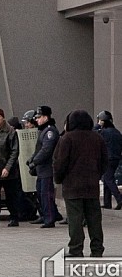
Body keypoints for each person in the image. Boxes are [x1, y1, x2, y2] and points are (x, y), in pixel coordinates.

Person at [53, 110, 108, 257]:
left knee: (75, 220)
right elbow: (104, 162)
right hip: (91, 186)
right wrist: (97, 174)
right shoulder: (97, 138)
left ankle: (76, 249)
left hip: (72, 186)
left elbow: (60, 163)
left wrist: (58, 179)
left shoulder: (67, 139)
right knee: (94, 219)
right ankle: (97, 249)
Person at [27, 106, 62, 228]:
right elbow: (39, 149)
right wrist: (32, 159)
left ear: (46, 117)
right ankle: (48, 215)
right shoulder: (43, 131)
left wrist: (35, 161)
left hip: (47, 168)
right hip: (42, 169)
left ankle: (49, 218)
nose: (37, 120)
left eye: (39, 117)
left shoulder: (50, 131)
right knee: (41, 193)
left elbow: (46, 150)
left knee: (46, 194)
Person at [95, 110, 122, 210]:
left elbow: (93, 133)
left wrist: (98, 125)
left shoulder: (103, 132)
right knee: (107, 179)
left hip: (108, 158)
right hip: (116, 158)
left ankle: (119, 199)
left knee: (108, 179)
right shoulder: (117, 132)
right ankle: (107, 203)